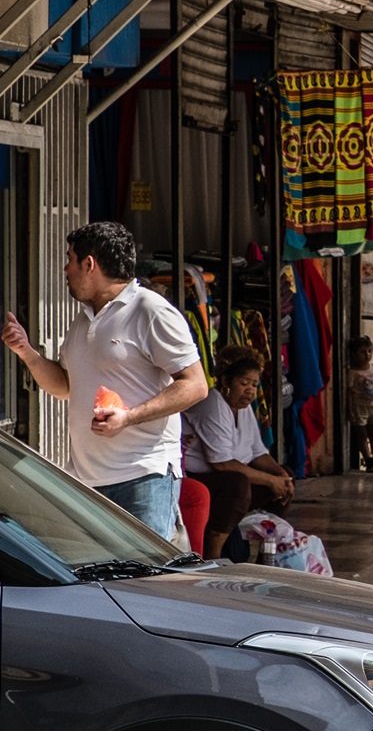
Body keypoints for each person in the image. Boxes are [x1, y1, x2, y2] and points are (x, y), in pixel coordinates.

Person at [2, 221, 206, 536]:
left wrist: (129, 417)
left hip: (143, 478)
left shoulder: (150, 311)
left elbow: (195, 385)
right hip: (87, 484)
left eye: (70, 258)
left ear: (89, 264)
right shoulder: (82, 320)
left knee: (143, 582)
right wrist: (26, 352)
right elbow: (65, 387)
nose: (65, 268)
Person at [182, 346, 294, 557]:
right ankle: (212, 553)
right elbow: (221, 463)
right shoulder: (212, 404)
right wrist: (270, 480)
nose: (250, 390)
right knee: (238, 484)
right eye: (243, 384)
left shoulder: (243, 409)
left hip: (224, 476)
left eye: (254, 384)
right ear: (225, 382)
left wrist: (281, 476)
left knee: (285, 476)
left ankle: (268, 550)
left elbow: (257, 452)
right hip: (199, 478)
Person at [347, 336, 373, 472]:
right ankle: (369, 460)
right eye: (362, 352)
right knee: (362, 434)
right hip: (359, 408)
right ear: (354, 354)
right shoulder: (352, 373)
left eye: (369, 351)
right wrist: (350, 409)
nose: (367, 355)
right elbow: (350, 393)